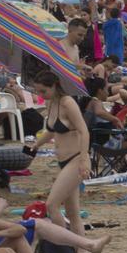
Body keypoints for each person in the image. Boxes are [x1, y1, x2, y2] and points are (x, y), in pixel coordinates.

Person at [32, 68, 89, 236]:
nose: (41, 94)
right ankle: (81, 251)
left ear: (55, 86)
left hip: (76, 158)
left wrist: (84, 159)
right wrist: (36, 145)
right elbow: (52, 130)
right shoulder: (51, 103)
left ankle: (64, 245)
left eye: (44, 91)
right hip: (63, 161)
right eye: (38, 91)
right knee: (72, 212)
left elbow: (83, 131)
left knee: (52, 205)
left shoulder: (67, 102)